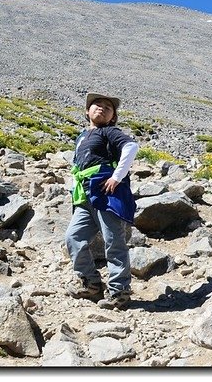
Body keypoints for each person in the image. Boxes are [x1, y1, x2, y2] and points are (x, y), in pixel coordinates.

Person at [64, 92, 139, 310]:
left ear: (113, 117)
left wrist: (117, 176)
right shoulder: (82, 136)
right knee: (73, 237)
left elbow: (131, 147)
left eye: (108, 107)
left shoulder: (110, 131)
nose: (102, 108)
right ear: (87, 111)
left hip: (106, 192)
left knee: (113, 241)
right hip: (85, 194)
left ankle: (120, 291)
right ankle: (92, 283)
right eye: (97, 104)